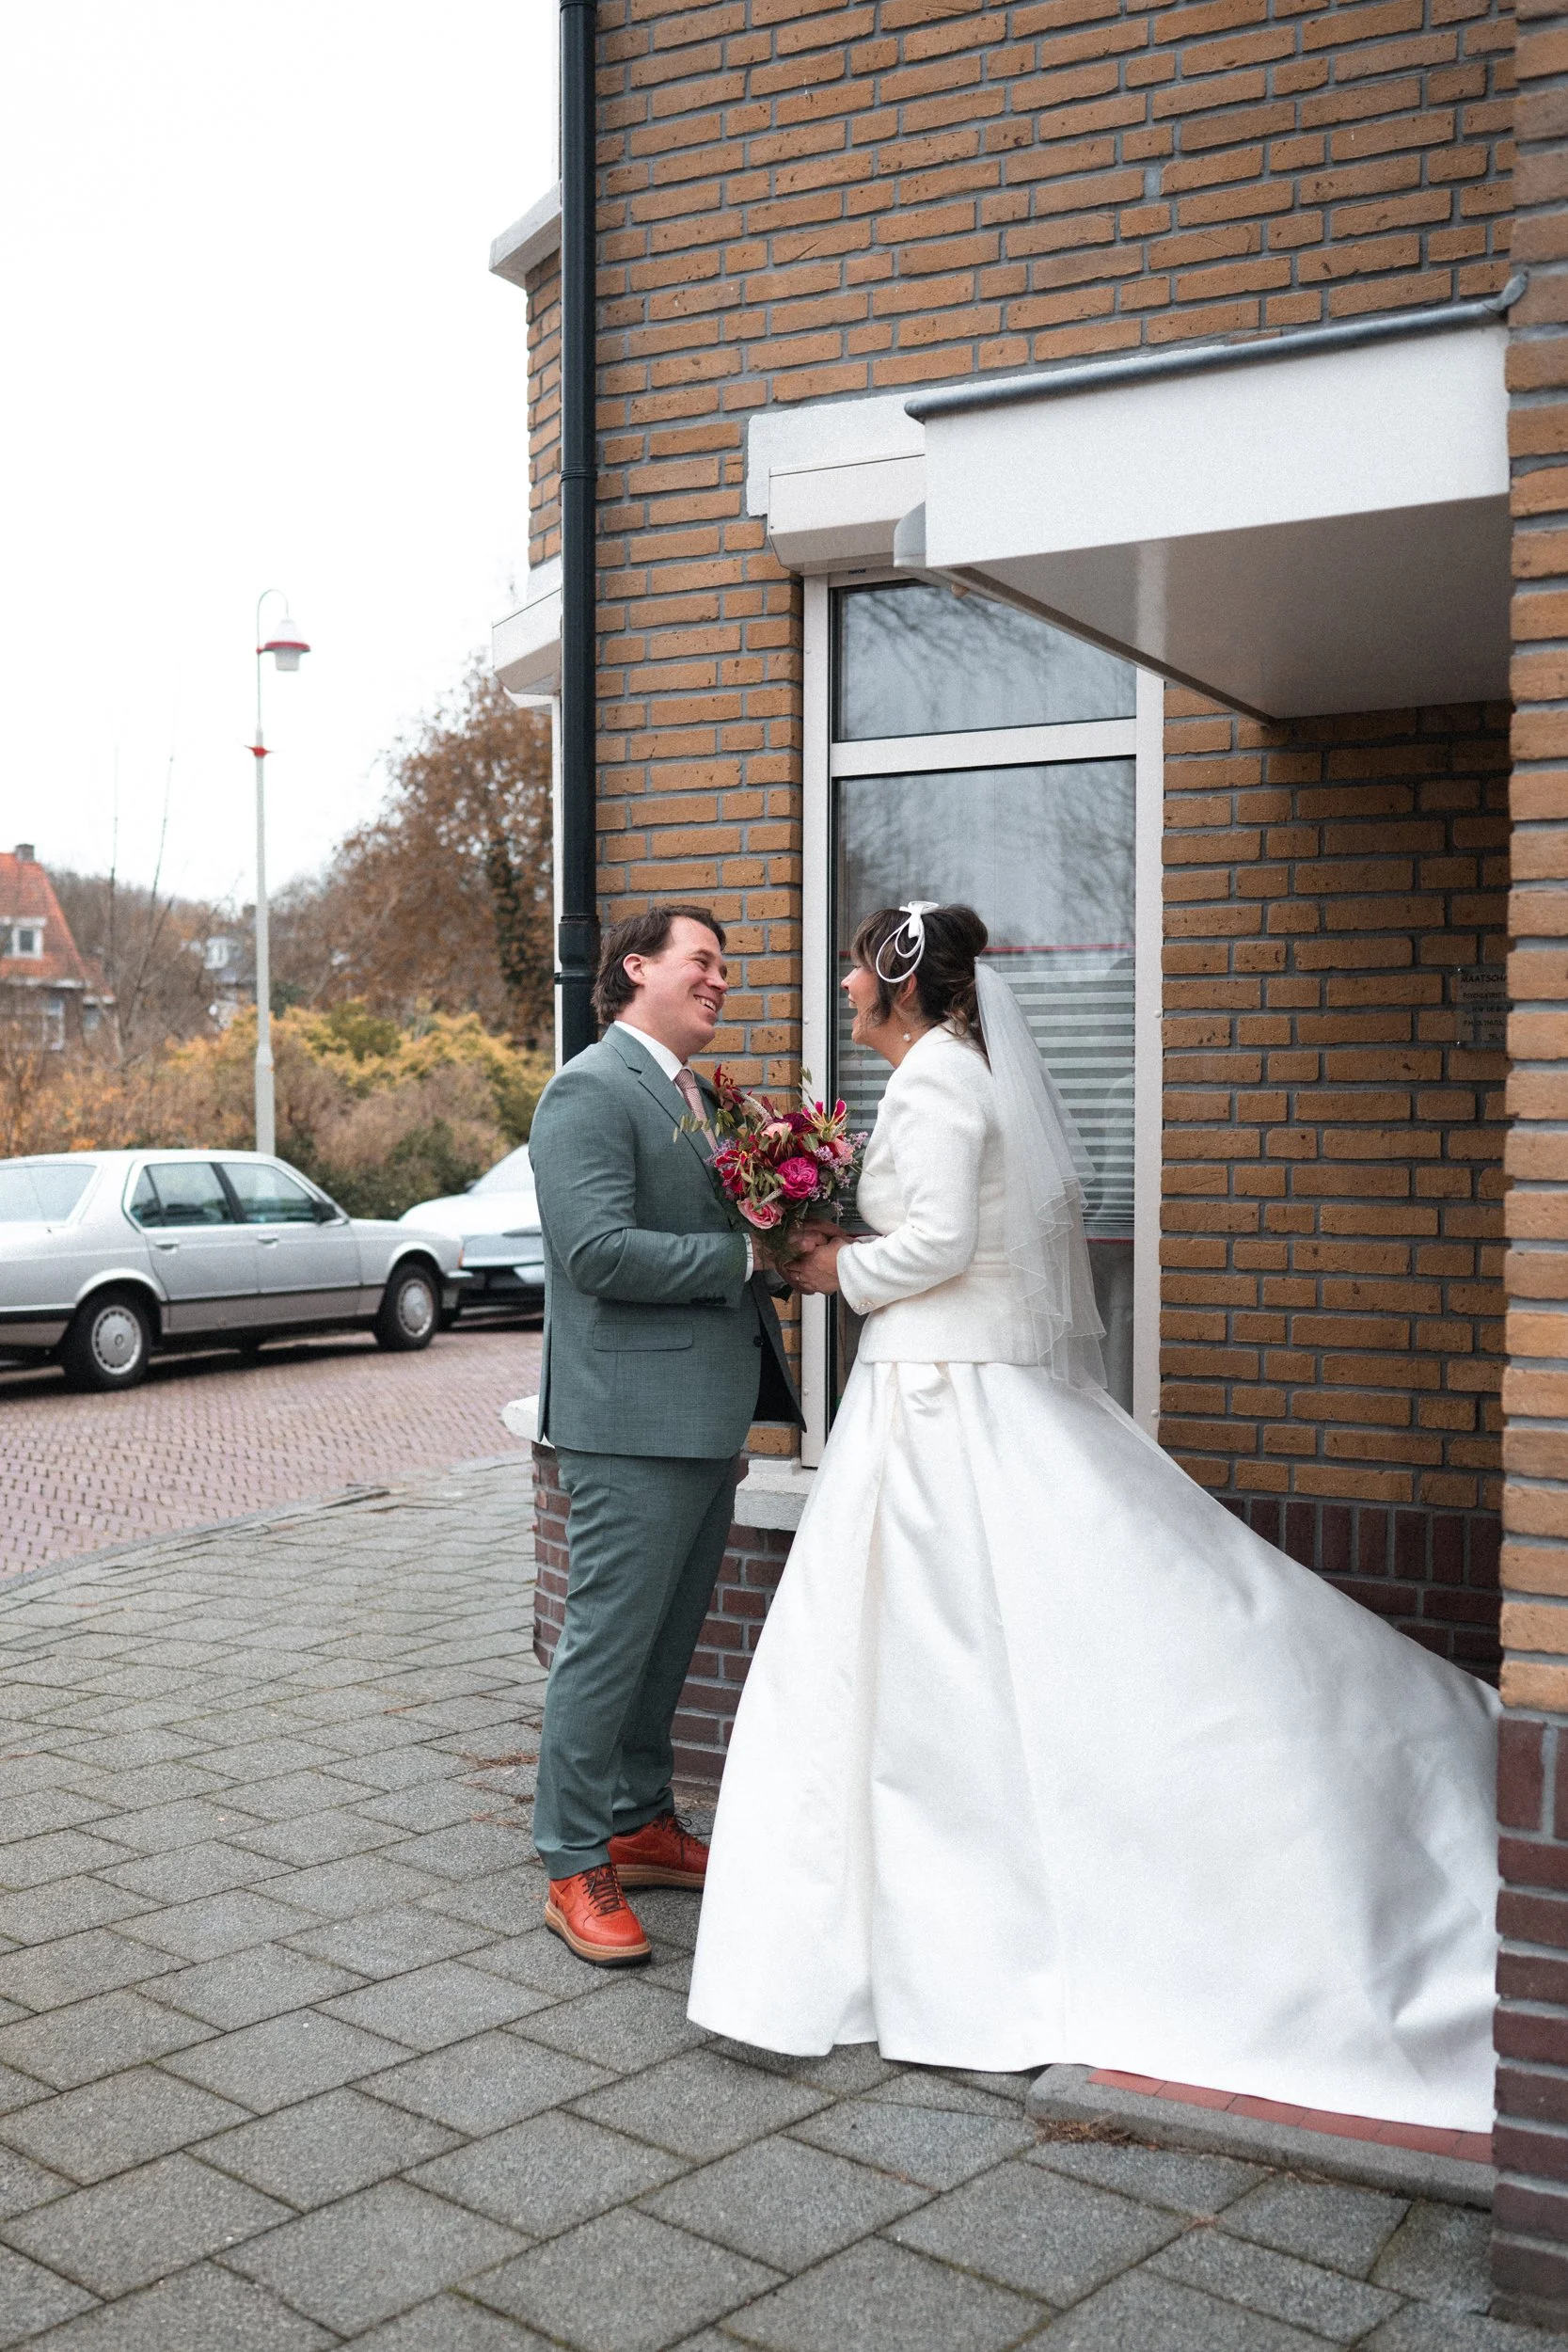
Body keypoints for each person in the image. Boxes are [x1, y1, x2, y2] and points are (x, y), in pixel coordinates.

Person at [688, 900, 1500, 2132]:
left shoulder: (932, 1081)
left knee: (948, 1659)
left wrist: (834, 1268)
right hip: (946, 1380)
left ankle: (958, 1932)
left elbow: (945, 1241)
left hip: (942, 1394)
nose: (845, 986)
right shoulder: (954, 1071)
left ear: (896, 984)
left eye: (857, 968)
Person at [528, 904, 800, 1964]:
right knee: (603, 1648)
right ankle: (568, 1859)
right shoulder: (589, 1090)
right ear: (634, 968)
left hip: (699, 1419)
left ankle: (638, 1819)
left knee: (662, 1644)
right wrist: (748, 1256)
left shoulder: (692, 1096)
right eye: (705, 961)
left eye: (727, 965)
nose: (721, 978)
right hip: (627, 1425)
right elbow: (596, 1252)